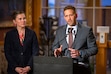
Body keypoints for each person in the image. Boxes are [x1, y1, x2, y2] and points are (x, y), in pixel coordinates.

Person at [52, 5, 98, 74]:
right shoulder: (59, 31)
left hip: (81, 67)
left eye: (71, 15)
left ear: (76, 15)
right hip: (64, 67)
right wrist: (57, 50)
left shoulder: (86, 30)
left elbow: (94, 49)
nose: (69, 18)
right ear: (64, 17)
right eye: (66, 16)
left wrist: (80, 53)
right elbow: (54, 46)